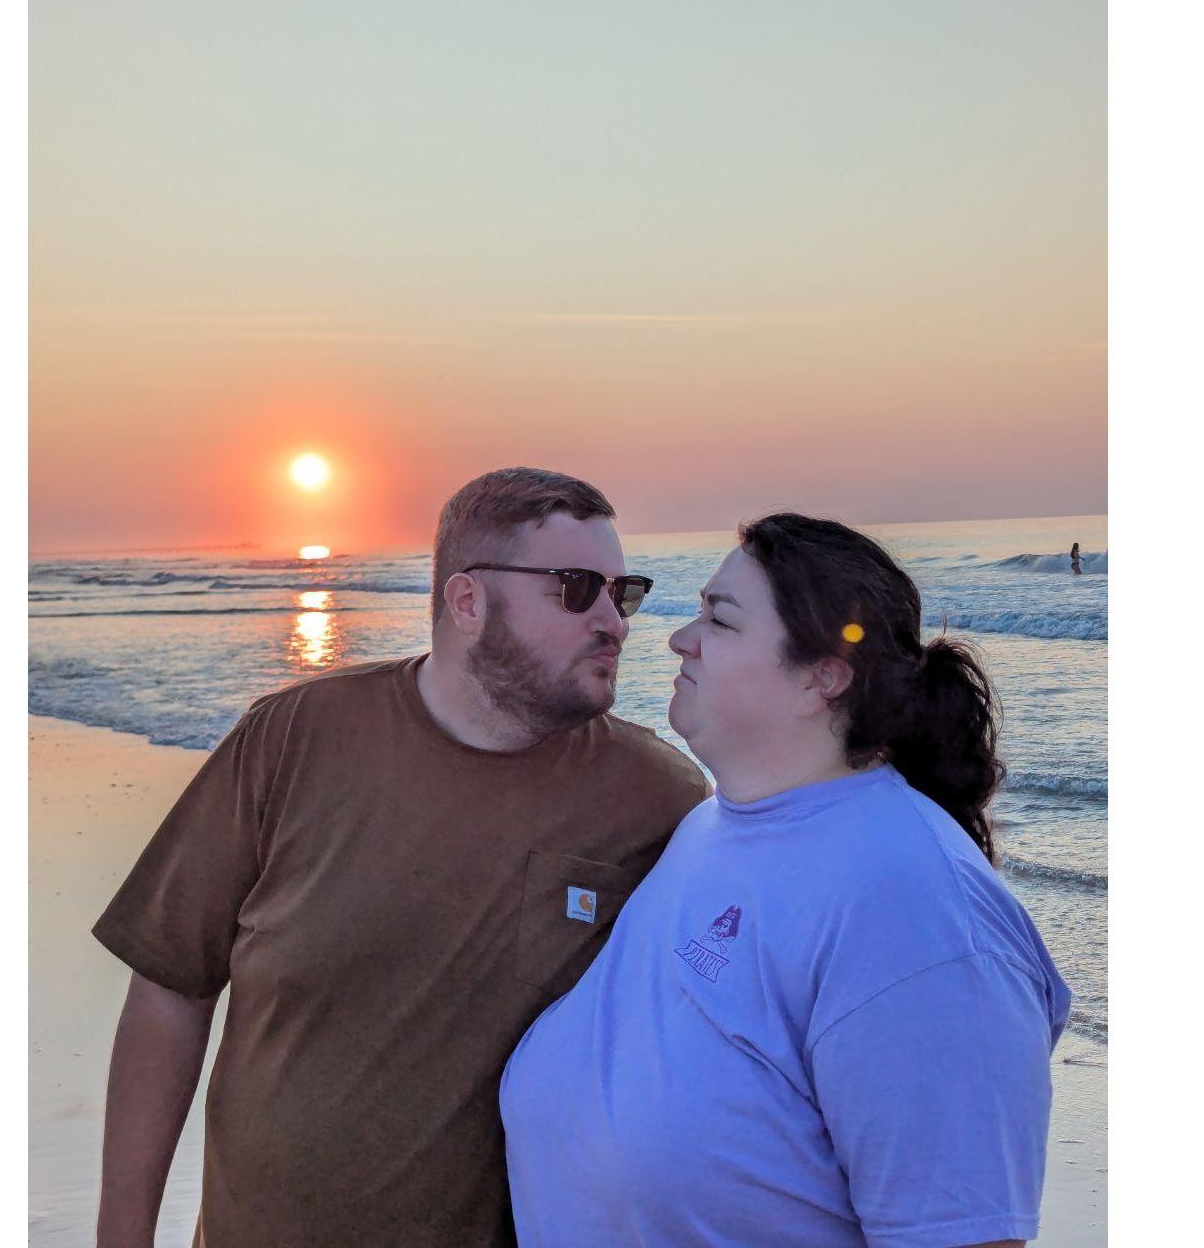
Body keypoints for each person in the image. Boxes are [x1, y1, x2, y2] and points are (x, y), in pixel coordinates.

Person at [92, 468, 708, 1248]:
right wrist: (122, 1236)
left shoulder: (658, 800)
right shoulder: (293, 738)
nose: (613, 622)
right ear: (467, 602)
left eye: (623, 593)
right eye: (576, 587)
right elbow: (170, 989)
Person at [502, 513, 1070, 1248]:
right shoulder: (714, 827)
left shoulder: (920, 915)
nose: (679, 638)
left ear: (823, 677)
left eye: (720, 619)